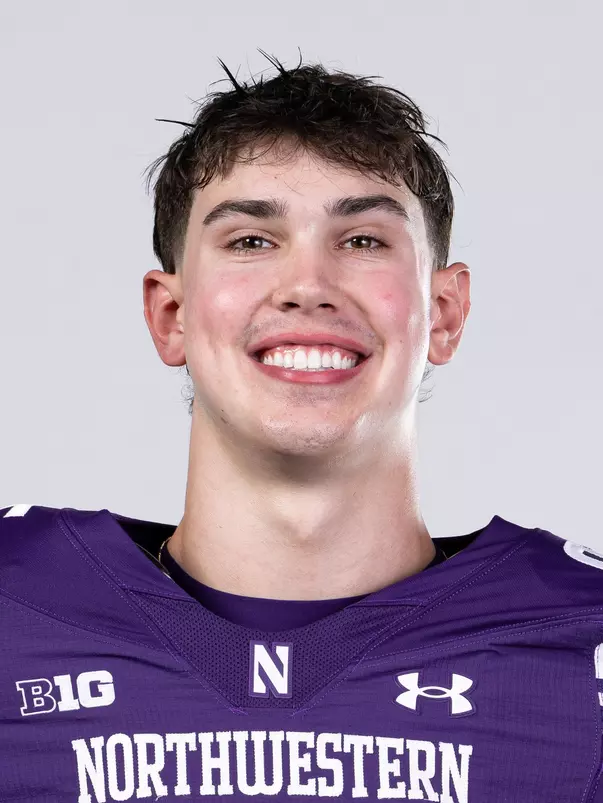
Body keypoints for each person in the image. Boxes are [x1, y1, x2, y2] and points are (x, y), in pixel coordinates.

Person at [1, 52, 602, 803]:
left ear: (443, 314)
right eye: (251, 240)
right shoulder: (14, 610)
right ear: (171, 316)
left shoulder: (579, 643)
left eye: (362, 241)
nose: (307, 287)